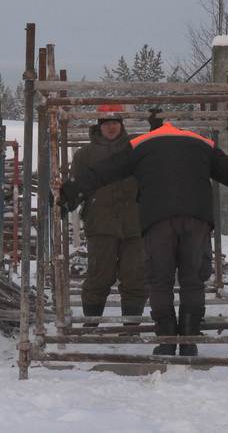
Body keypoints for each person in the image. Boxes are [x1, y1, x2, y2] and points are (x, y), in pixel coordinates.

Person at [59, 112, 228, 356]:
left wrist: (69, 192)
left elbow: (103, 172)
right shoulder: (202, 144)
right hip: (197, 219)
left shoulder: (140, 145)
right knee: (193, 280)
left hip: (157, 221)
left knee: (160, 280)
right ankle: (190, 341)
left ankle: (167, 340)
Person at [71, 104, 146, 327]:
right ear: (99, 127)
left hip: (134, 223)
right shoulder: (85, 155)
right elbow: (79, 186)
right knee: (98, 274)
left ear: (121, 125)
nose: (111, 127)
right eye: (106, 123)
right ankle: (91, 323)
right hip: (100, 223)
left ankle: (131, 325)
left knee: (134, 275)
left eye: (115, 123)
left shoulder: (137, 150)